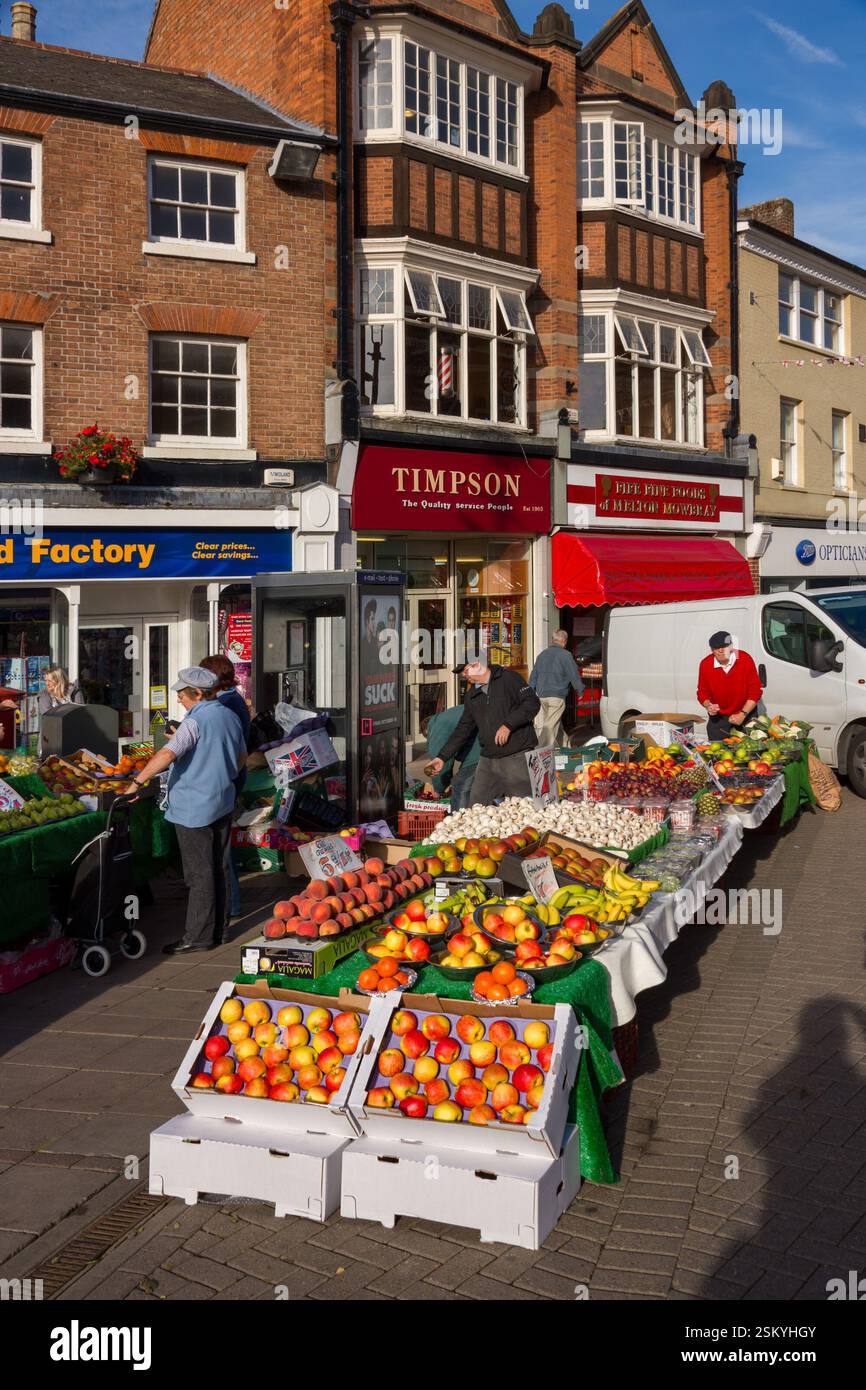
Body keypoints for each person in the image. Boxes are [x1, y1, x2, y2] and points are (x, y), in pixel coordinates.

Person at [125, 666, 246, 955]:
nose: (179, 699)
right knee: (218, 867)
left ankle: (198, 936)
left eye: (182, 694)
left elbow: (168, 754)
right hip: (222, 800)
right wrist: (220, 772)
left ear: (197, 693)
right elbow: (241, 756)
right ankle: (220, 929)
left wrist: (137, 782)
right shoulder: (229, 716)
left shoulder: (194, 722)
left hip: (195, 807)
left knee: (198, 873)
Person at [428, 657, 540, 803]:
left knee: (522, 804)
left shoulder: (508, 678)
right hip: (488, 758)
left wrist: (508, 725)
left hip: (516, 754)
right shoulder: (471, 696)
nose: (464, 674)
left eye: (466, 670)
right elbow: (463, 729)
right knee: (477, 803)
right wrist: (442, 757)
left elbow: (532, 703)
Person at [200, 654, 250, 930]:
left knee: (221, 844)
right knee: (221, 841)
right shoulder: (233, 700)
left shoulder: (226, 704)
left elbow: (235, 747)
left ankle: (229, 903)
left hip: (226, 776)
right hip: (231, 775)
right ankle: (228, 900)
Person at [697, 630, 763, 741]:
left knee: (749, 756)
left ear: (731, 646)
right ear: (712, 650)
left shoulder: (745, 659)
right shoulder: (705, 664)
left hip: (746, 716)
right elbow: (702, 692)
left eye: (724, 646)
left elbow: (755, 691)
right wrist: (709, 705)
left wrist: (742, 714)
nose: (721, 650)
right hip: (719, 719)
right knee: (717, 755)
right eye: (717, 647)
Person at [529, 630, 583, 747]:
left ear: (553, 640)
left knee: (555, 723)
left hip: (542, 696)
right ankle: (539, 752)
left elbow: (534, 675)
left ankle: (566, 747)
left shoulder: (542, 655)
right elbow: (573, 674)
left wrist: (531, 690)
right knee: (549, 727)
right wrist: (580, 689)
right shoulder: (566, 655)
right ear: (564, 641)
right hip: (556, 696)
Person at [425, 704, 480, 810]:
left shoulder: (438, 726)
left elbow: (441, 766)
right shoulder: (447, 716)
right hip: (488, 742)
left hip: (478, 750)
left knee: (460, 787)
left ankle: (459, 819)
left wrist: (438, 790)